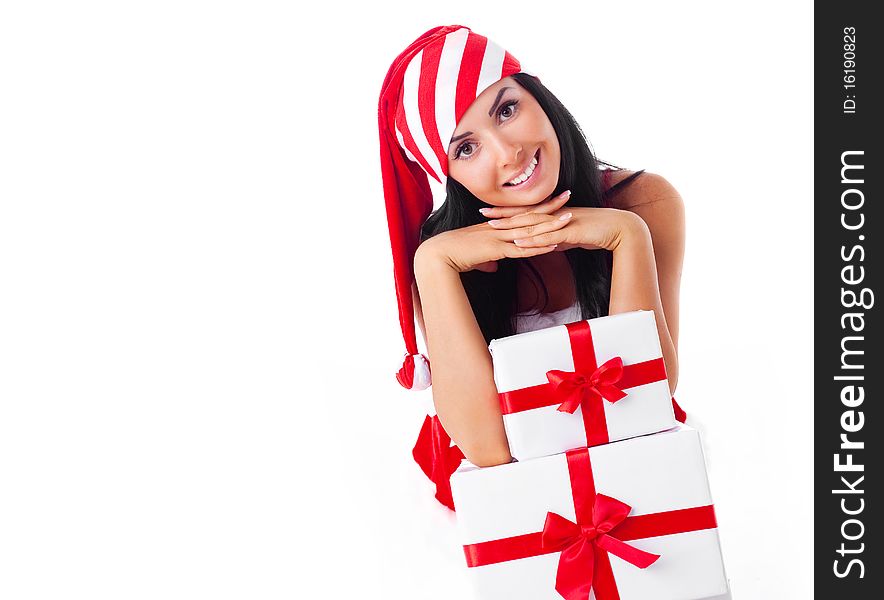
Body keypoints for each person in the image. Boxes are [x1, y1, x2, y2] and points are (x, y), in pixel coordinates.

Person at [378, 25, 685, 510]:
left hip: (628, 480)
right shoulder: (440, 253)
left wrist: (626, 236)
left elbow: (651, 394)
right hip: (513, 511)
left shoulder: (644, 205)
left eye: (506, 109)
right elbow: (488, 449)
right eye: (466, 147)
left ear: (538, 96)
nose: (508, 153)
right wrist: (434, 265)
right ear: (449, 174)